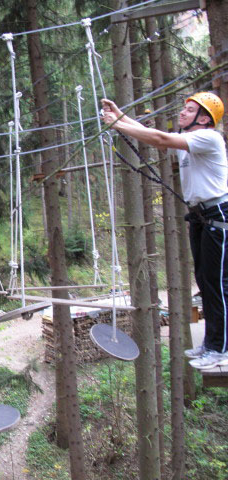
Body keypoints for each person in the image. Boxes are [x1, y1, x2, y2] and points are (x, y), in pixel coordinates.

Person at [101, 92, 228, 370]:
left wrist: (117, 124)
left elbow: (160, 139)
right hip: (201, 217)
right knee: (205, 282)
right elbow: (150, 133)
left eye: (190, 109)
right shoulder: (189, 143)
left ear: (204, 118)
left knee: (217, 284)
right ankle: (211, 344)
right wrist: (120, 116)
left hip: (217, 214)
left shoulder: (209, 138)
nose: (182, 113)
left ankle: (220, 348)